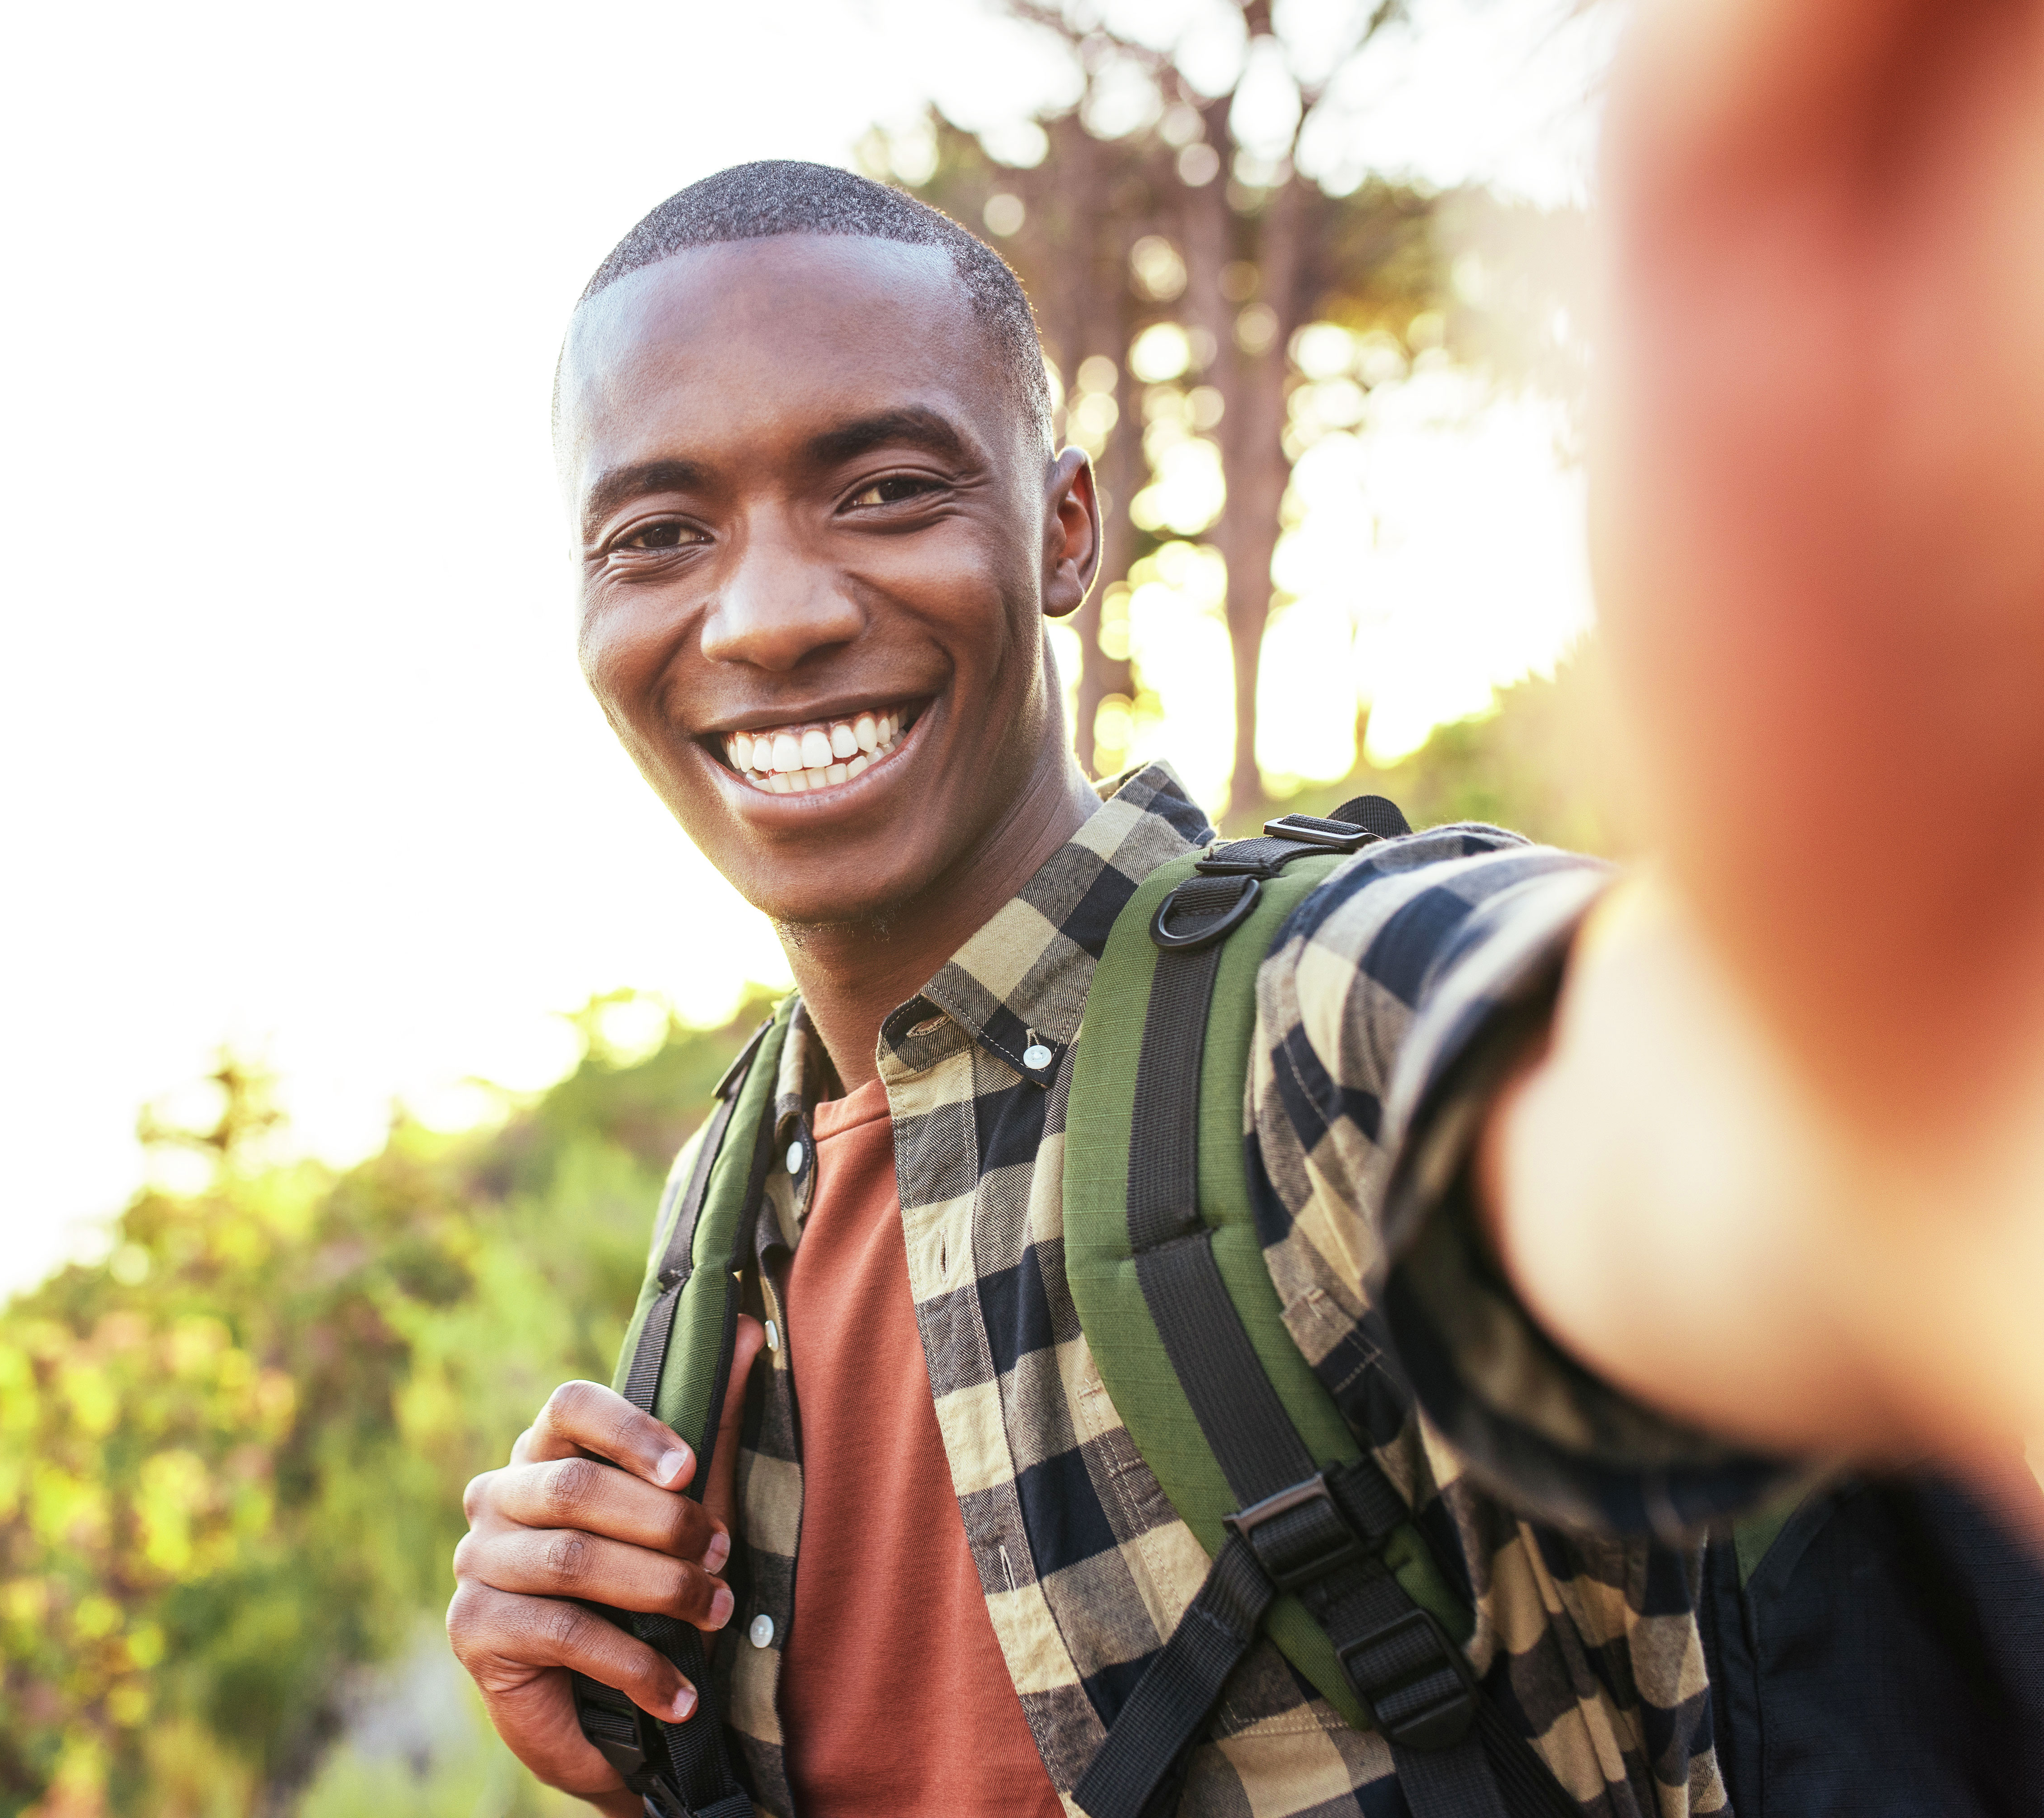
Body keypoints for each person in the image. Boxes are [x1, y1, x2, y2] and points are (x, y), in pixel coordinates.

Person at [447, 2, 2044, 1811]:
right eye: (661, 533)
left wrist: (1898, 993)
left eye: (886, 489)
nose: (767, 615)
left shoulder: (1325, 1016)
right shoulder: (729, 1206)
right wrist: (632, 1723)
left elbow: (1665, 1120)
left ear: (1064, 532)